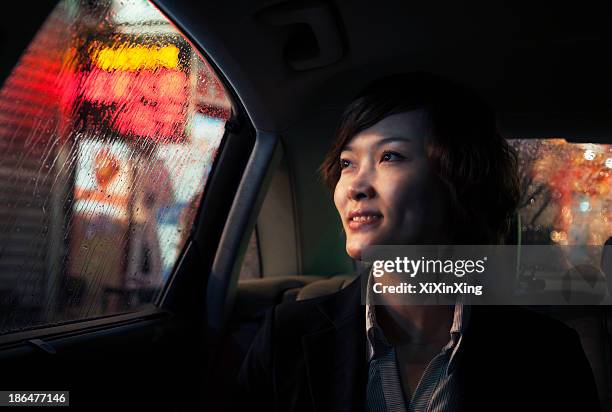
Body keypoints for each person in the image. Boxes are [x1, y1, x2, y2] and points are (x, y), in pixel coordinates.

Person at [236, 72, 600, 411]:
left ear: (459, 181)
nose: (355, 187)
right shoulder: (284, 338)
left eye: (389, 156)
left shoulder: (549, 354)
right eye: (347, 164)